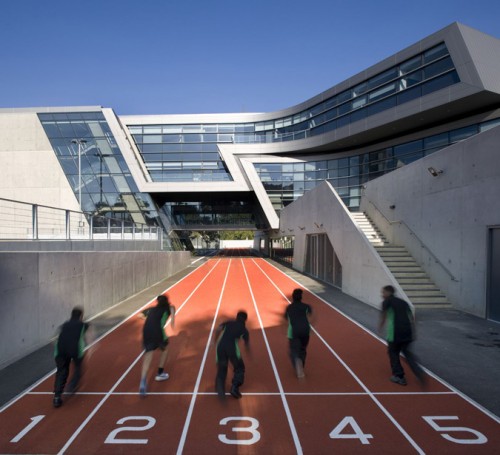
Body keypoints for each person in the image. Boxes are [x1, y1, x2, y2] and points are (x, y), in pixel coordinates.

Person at [379, 285, 425, 386]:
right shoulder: (404, 302)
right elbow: (412, 317)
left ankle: (399, 376)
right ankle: (419, 371)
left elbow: (384, 316)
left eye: (383, 292)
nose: (382, 295)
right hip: (407, 332)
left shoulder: (387, 302)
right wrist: (413, 330)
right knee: (407, 353)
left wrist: (380, 327)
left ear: (388, 292)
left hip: (395, 332)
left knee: (393, 353)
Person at [53, 307, 90, 408]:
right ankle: (71, 386)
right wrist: (92, 346)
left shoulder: (64, 325)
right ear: (81, 316)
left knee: (61, 372)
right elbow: (89, 335)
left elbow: (55, 337)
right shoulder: (83, 325)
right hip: (74, 350)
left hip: (60, 350)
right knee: (78, 369)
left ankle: (57, 397)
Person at [139, 295, 176, 396]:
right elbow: (173, 310)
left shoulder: (151, 309)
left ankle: (143, 381)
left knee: (148, 356)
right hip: (158, 332)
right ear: (167, 301)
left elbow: (140, 315)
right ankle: (160, 373)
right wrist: (172, 321)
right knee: (165, 350)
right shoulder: (169, 308)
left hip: (146, 332)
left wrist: (149, 320)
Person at [215, 311, 249, 399]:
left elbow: (219, 328)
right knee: (240, 368)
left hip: (220, 346)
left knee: (222, 368)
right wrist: (248, 351)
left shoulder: (229, 322)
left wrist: (214, 340)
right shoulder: (244, 329)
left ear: (236, 317)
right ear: (245, 320)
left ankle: (219, 386)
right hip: (232, 349)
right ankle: (234, 387)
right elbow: (246, 344)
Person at [285, 289, 312, 379]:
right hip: (305, 331)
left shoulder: (289, 308)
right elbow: (311, 316)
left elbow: (285, 319)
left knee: (294, 351)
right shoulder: (306, 306)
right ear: (301, 297)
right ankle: (301, 363)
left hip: (294, 331)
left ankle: (297, 360)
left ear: (292, 297)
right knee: (303, 349)